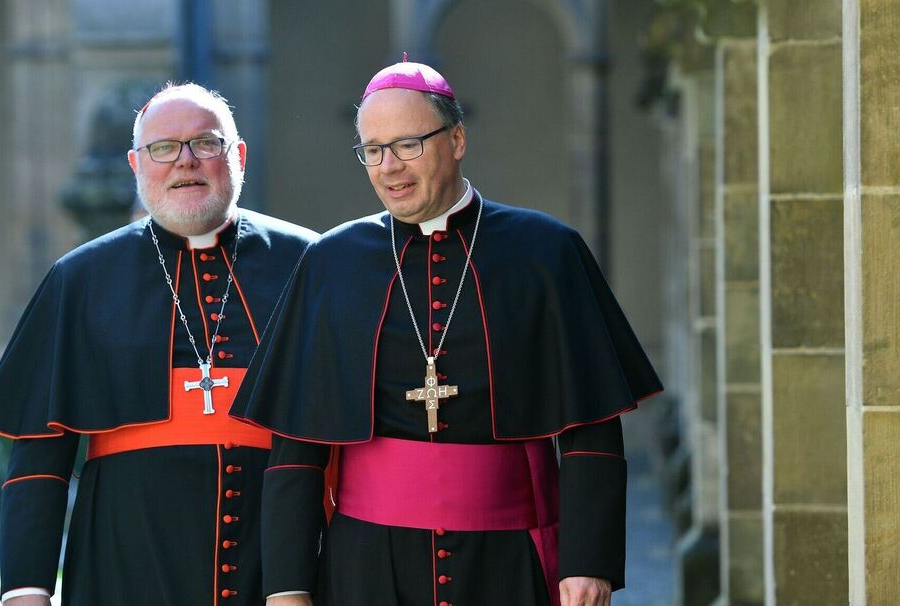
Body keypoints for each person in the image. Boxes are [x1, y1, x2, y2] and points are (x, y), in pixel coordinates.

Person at [230, 58, 662, 606]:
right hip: (366, 567)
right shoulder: (331, 263)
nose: (390, 167)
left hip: (510, 560)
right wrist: (288, 587)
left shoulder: (545, 253)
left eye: (408, 145)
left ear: (457, 140)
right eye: (373, 150)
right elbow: (297, 446)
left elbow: (591, 426)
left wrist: (587, 563)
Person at [0, 83, 317, 605]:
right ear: (136, 165)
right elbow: (39, 457)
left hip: (277, 566)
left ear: (239, 156)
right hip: (123, 562)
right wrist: (25, 592)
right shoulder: (80, 278)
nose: (185, 161)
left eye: (206, 143)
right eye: (163, 148)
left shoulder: (308, 263)